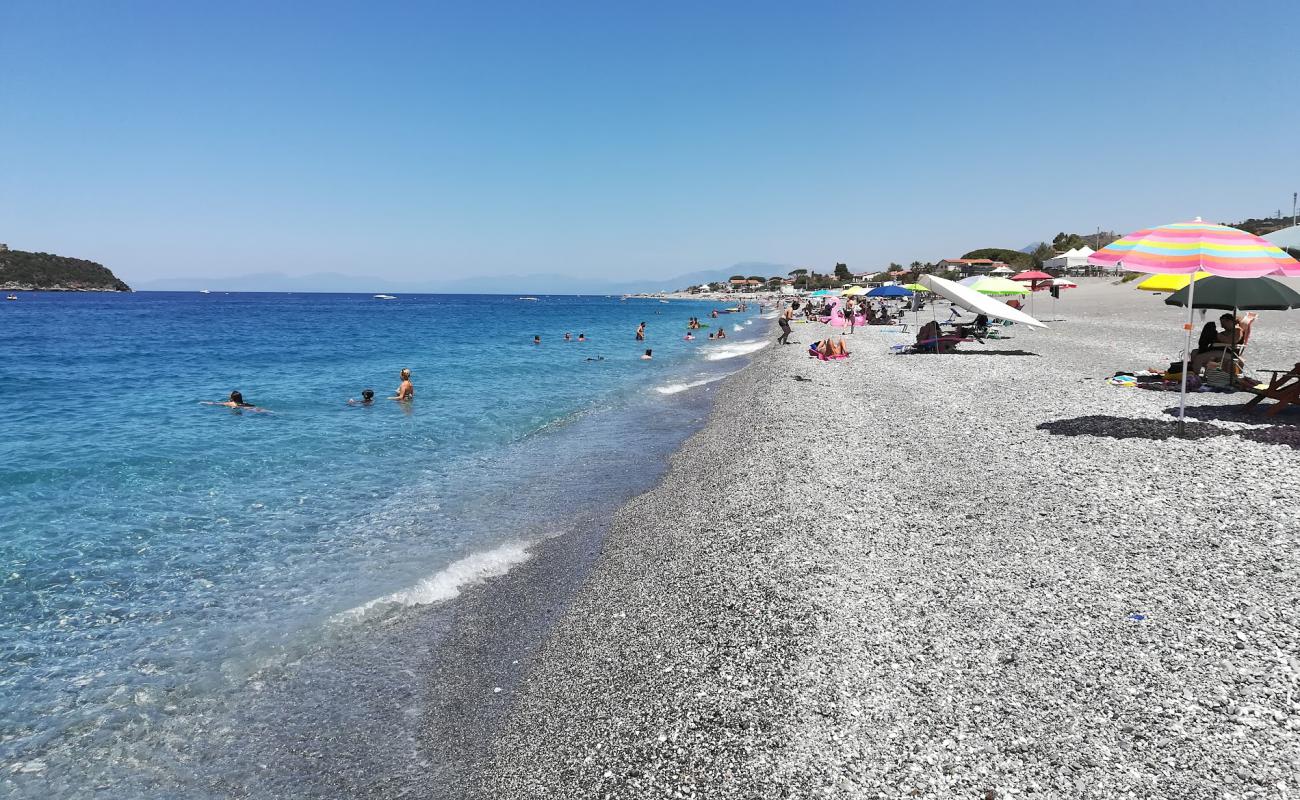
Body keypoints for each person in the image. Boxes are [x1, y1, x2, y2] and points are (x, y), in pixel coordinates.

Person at [202, 390, 269, 412]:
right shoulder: (244, 402)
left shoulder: (231, 403)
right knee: (267, 412)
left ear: (232, 398)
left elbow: (216, 403)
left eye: (230, 395)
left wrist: (204, 402)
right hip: (251, 407)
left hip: (246, 408)